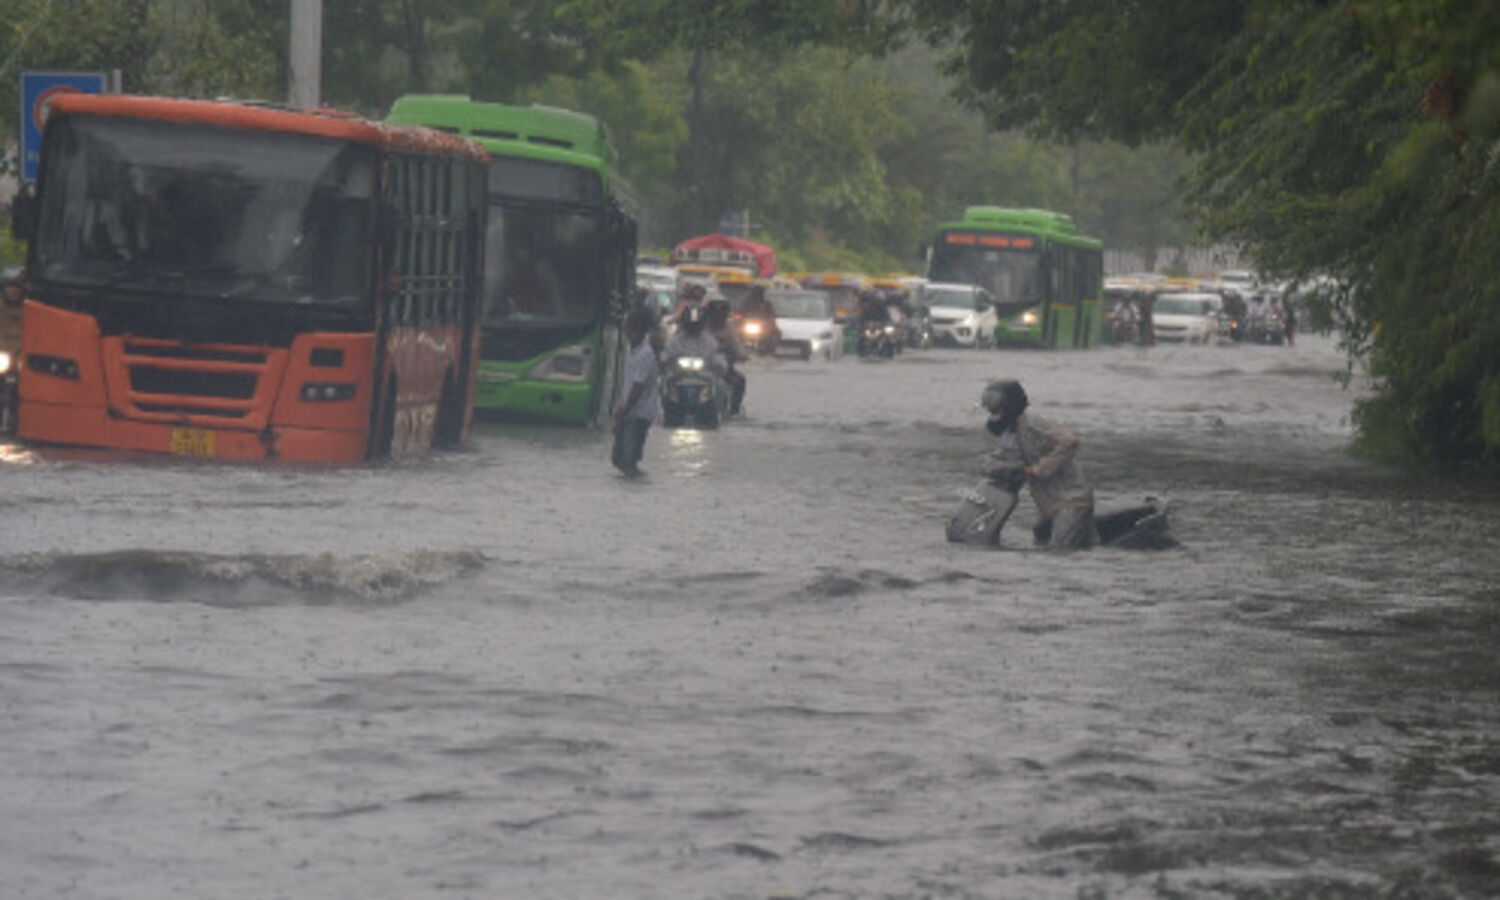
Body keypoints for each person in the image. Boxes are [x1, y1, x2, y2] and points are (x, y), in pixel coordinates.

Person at [980, 379, 1097, 550]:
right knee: (1040, 539)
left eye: (996, 406)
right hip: (1048, 503)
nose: (993, 413)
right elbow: (1002, 457)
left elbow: (1070, 441)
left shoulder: (1032, 424)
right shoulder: (1011, 434)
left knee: (1060, 551)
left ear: (1011, 405)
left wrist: (1039, 469)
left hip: (1071, 500)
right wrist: (993, 469)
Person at [611, 307, 660, 478]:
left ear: (640, 330)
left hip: (639, 414)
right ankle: (635, 481)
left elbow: (637, 387)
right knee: (618, 460)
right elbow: (628, 383)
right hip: (629, 411)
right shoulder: (631, 350)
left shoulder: (645, 355)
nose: (629, 333)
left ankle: (636, 481)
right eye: (628, 328)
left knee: (628, 461)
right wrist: (620, 407)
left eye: (631, 328)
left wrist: (623, 412)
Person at [705, 297, 748, 415]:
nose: (717, 317)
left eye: (721, 314)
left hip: (723, 369)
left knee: (739, 381)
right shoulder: (700, 328)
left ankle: (734, 410)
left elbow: (737, 345)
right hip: (701, 368)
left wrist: (741, 355)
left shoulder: (731, 329)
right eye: (714, 314)